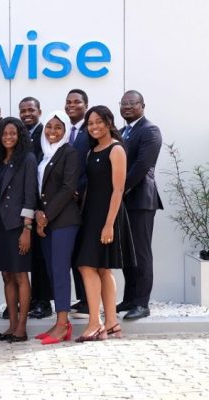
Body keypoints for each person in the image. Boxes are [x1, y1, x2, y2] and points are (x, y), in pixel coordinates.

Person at [75, 105, 134, 342]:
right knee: (101, 268)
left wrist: (109, 224)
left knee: (85, 265)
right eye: (90, 123)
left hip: (108, 215)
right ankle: (111, 323)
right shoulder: (92, 151)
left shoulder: (116, 149)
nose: (94, 127)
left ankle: (94, 323)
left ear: (109, 122)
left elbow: (118, 189)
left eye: (98, 121)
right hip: (91, 215)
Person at [34, 111, 81, 345]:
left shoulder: (70, 153)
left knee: (60, 270)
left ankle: (63, 325)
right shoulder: (43, 154)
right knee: (52, 271)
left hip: (63, 220)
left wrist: (46, 216)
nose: (52, 131)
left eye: (58, 127)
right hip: (45, 221)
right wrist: (37, 214)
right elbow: (38, 189)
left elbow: (68, 188)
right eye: (49, 127)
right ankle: (60, 322)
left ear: (65, 131)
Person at [0, 117, 37, 343]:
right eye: (4, 133)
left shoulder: (27, 158)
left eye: (13, 133)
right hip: (0, 224)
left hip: (18, 225)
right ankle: (11, 325)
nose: (8, 137)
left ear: (20, 136)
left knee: (20, 274)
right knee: (6, 275)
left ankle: (22, 327)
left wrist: (27, 229)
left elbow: (30, 194)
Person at [118, 90, 163, 320]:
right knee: (127, 252)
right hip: (123, 201)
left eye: (132, 103)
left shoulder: (150, 130)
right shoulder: (121, 132)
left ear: (142, 105)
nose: (127, 107)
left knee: (141, 252)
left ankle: (142, 303)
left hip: (140, 200)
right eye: (123, 103)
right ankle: (129, 298)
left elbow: (141, 166)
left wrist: (119, 190)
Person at [18, 96, 52, 320]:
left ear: (39, 111)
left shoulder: (46, 133)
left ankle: (43, 301)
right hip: (23, 202)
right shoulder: (19, 135)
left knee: (41, 257)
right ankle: (29, 299)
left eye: (31, 110)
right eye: (23, 111)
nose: (27, 114)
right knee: (25, 257)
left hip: (42, 204)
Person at [64, 89, 91, 319]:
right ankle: (82, 299)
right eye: (68, 102)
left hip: (86, 200)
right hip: (67, 203)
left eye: (77, 102)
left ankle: (89, 301)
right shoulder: (63, 129)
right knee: (73, 252)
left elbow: (92, 166)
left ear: (86, 105)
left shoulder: (90, 129)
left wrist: (78, 190)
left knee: (86, 253)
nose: (72, 105)